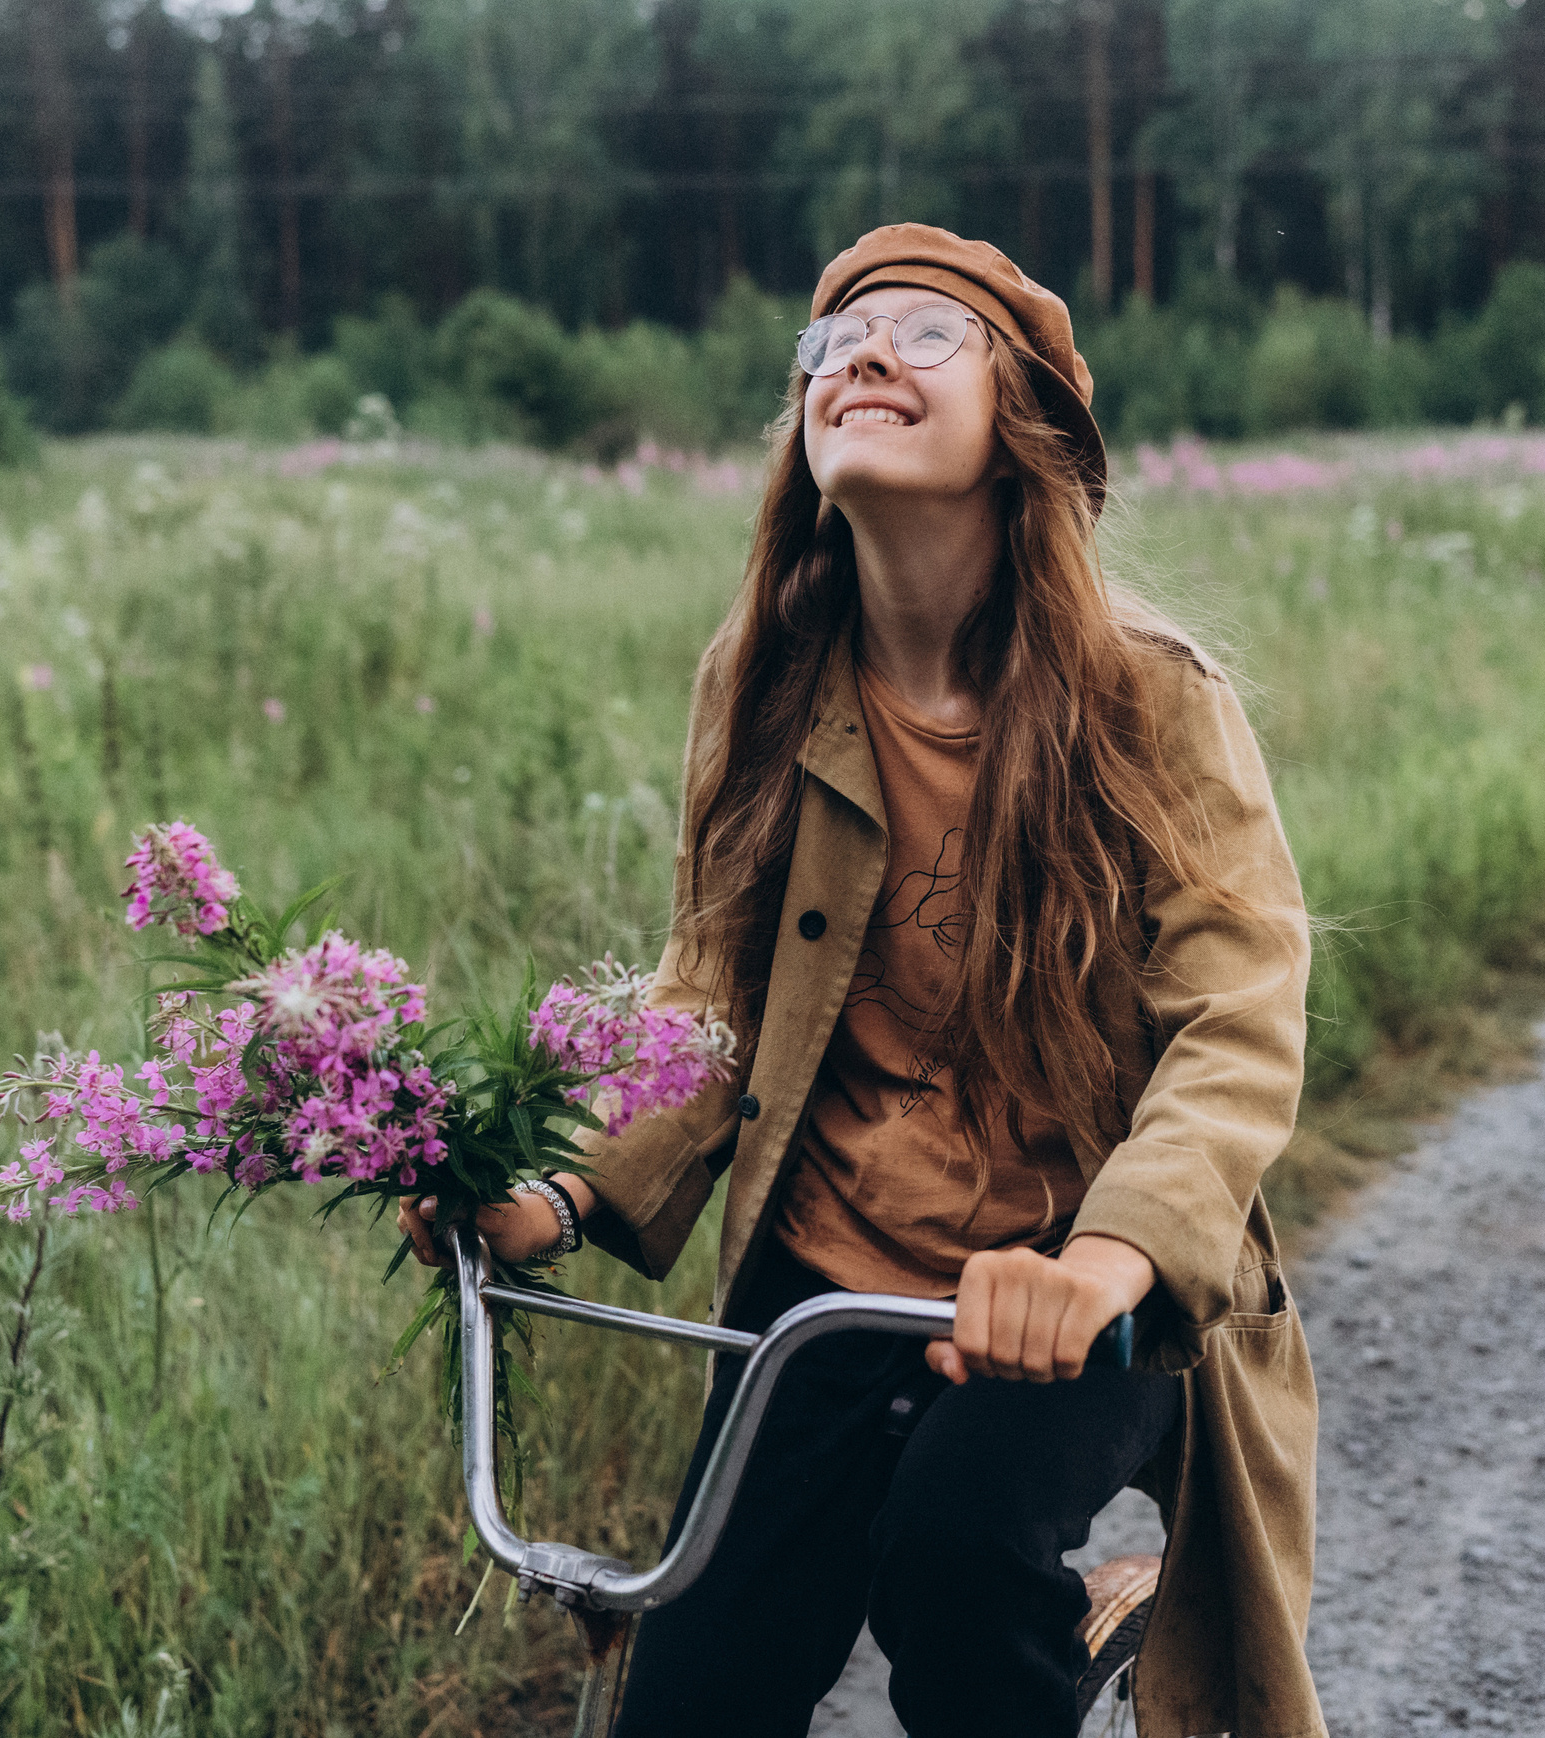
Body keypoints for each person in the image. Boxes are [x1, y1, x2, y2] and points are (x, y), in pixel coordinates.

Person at [403, 224, 1325, 1738]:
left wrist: (1106, 1266)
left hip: (1062, 1291)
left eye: (922, 334)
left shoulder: (1149, 699)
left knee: (954, 1560)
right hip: (816, 1289)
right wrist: (556, 1192)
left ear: (1021, 422)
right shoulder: (764, 677)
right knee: (691, 1701)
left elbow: (1237, 1020)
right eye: (831, 345)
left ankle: (1057, 1613)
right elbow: (709, 992)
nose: (862, 356)